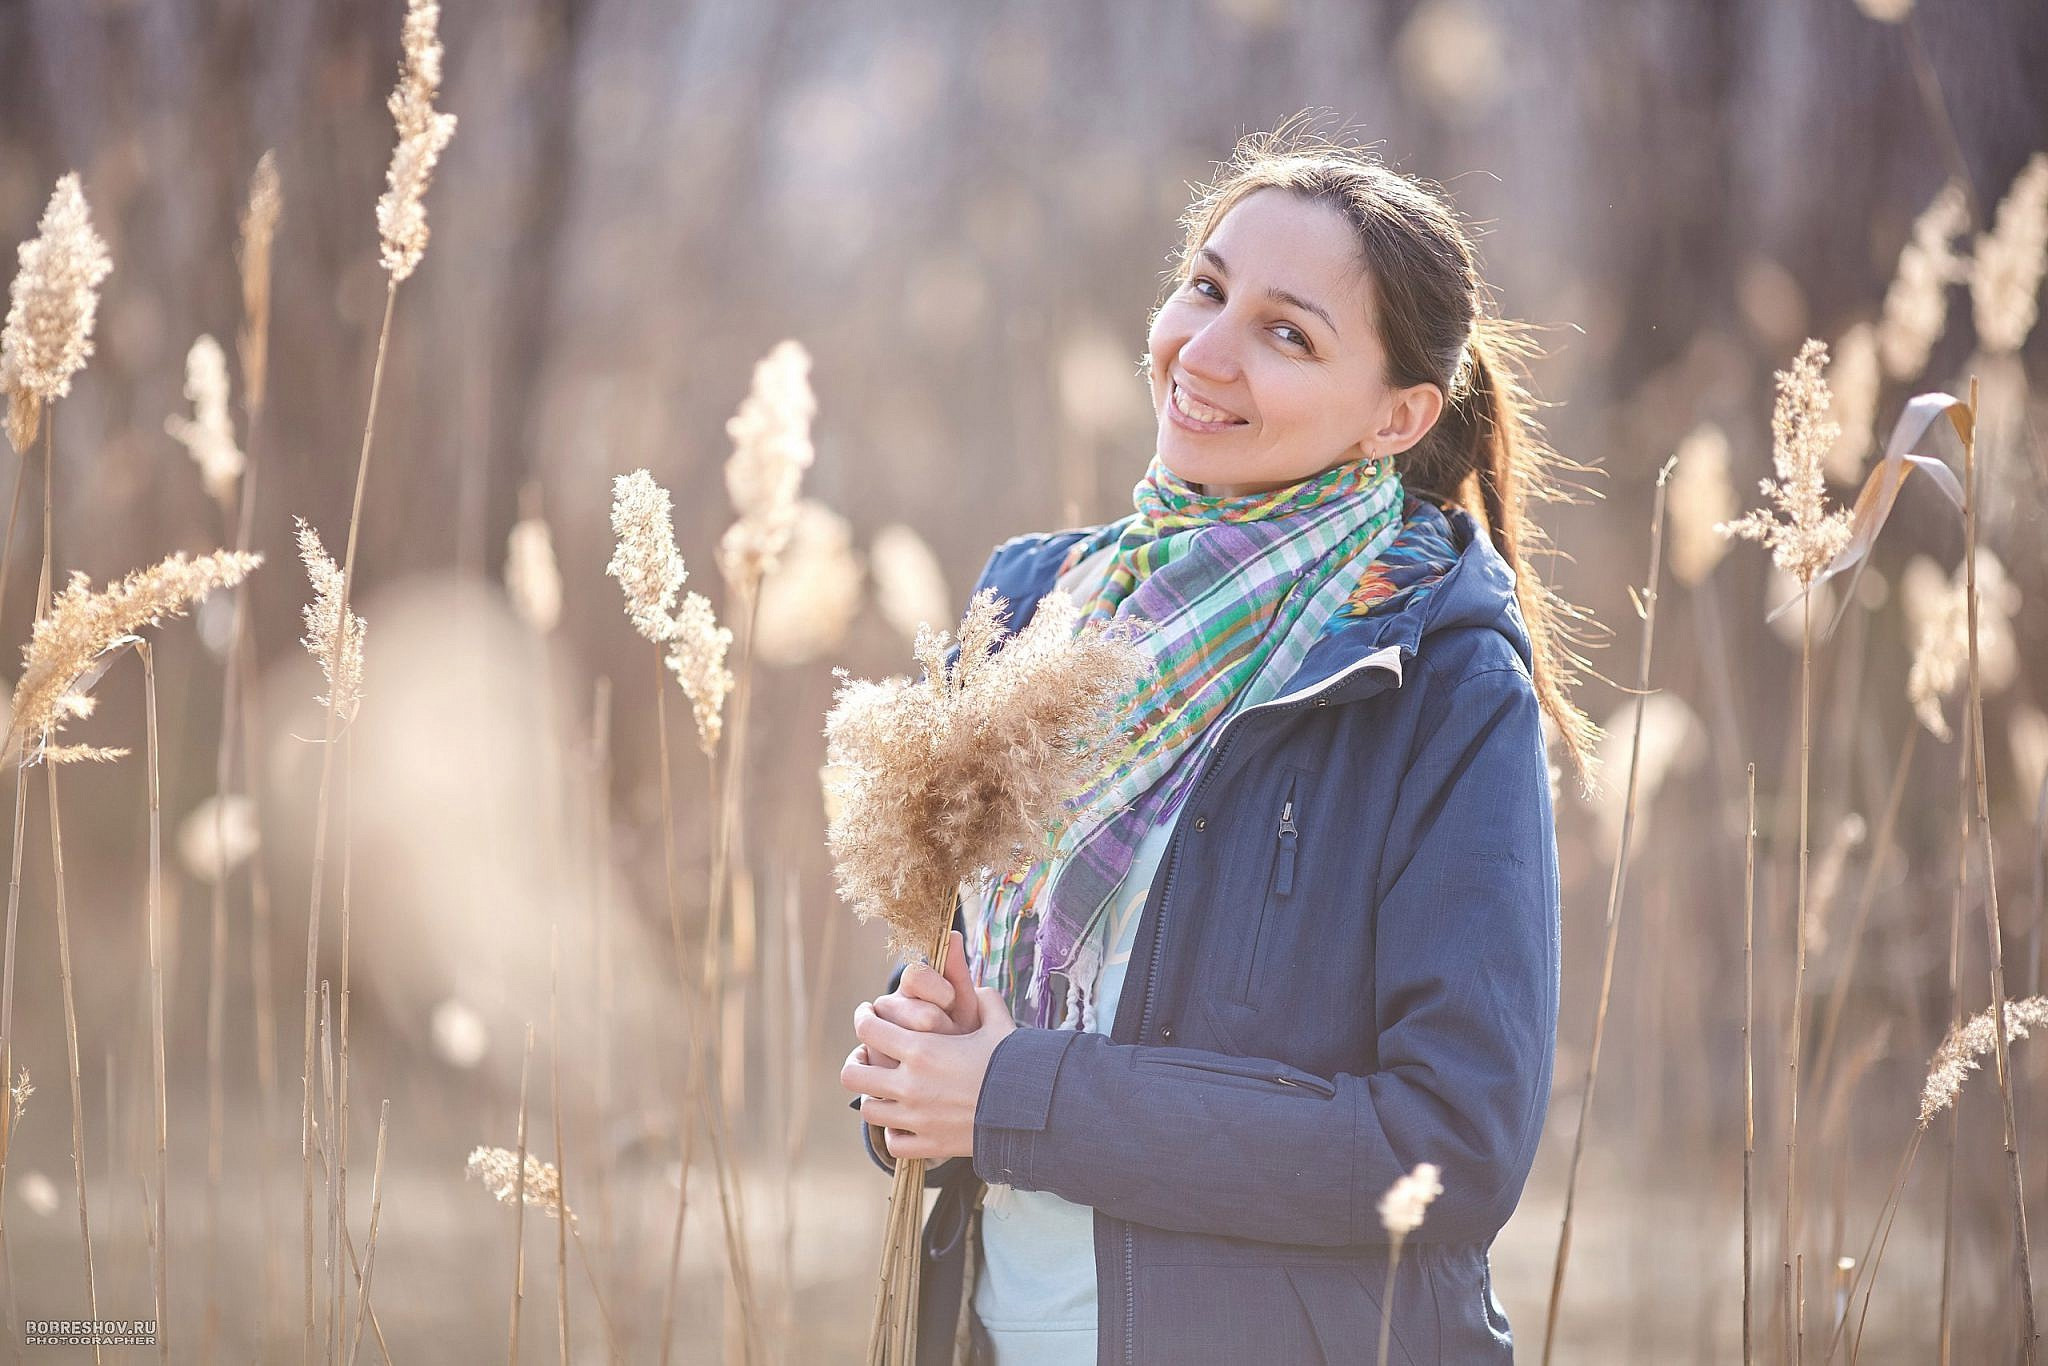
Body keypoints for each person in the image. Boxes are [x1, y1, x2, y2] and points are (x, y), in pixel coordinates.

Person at [840, 120, 1599, 1365]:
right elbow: (969, 1014)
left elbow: (1446, 1145)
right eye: (1204, 287)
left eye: (1285, 332)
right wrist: (909, 1076)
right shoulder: (1036, 607)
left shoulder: (1439, 679)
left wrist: (1010, 1094)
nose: (1203, 349)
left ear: (1398, 415)